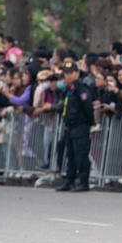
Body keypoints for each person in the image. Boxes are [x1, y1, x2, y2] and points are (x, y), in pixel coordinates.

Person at [50, 62, 95, 192]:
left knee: (81, 155)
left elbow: (88, 109)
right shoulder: (68, 90)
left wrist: (88, 123)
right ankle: (69, 180)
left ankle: (83, 181)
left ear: (77, 73)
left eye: (71, 73)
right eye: (66, 73)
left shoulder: (81, 90)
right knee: (70, 155)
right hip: (69, 126)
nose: (68, 76)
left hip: (80, 126)